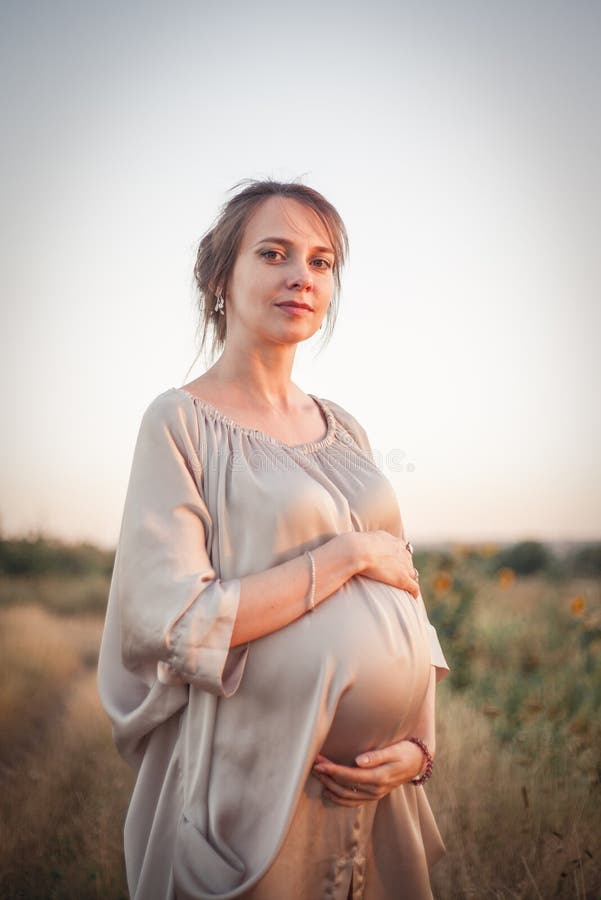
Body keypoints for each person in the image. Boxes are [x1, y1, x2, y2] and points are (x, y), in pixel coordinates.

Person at [97, 178, 450, 900]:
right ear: (218, 278)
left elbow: (403, 591)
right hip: (251, 788)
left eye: (321, 262)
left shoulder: (344, 428)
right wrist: (343, 555)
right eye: (274, 253)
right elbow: (176, 624)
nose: (302, 277)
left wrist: (416, 748)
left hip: (377, 797)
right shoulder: (178, 422)